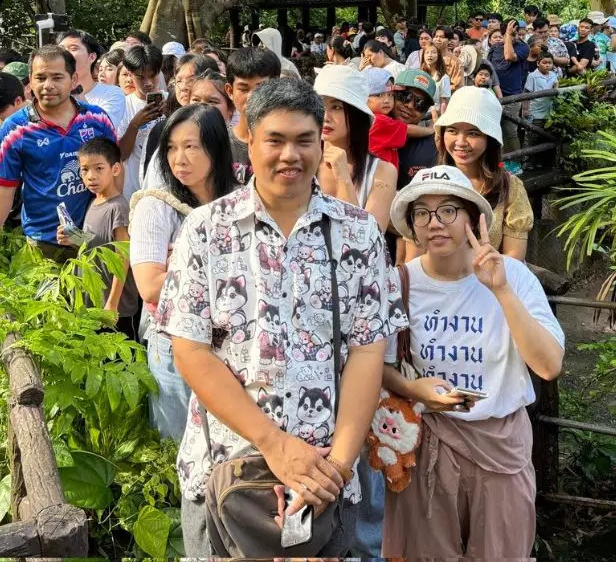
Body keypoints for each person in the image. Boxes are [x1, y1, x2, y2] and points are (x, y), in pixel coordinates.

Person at [159, 77, 404, 556]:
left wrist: (338, 465)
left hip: (327, 476)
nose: (290, 155)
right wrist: (273, 443)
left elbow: (367, 351)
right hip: (227, 468)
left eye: (304, 140)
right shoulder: (205, 230)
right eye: (275, 139)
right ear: (248, 137)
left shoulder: (358, 234)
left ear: (322, 141)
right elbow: (191, 350)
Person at [382, 166, 563, 559]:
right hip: (428, 442)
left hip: (500, 445)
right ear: (412, 225)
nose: (435, 223)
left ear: (471, 218)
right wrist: (414, 389)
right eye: (422, 213)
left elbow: (548, 366)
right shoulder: (398, 283)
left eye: (448, 210)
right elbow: (371, 363)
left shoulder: (513, 276)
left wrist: (500, 291)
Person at [130, 104, 237, 439]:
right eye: (172, 148)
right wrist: (229, 273)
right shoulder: (156, 206)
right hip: (173, 344)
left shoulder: (241, 201)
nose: (179, 158)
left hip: (233, 345)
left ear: (217, 148)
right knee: (175, 444)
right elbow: (150, 286)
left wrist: (185, 269)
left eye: (191, 147)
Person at [0, 45, 119, 261]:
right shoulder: (16, 128)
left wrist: (115, 216)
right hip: (43, 243)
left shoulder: (97, 119)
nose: (48, 85)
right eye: (40, 77)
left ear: (73, 80)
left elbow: (116, 171)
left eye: (57, 77)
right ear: (30, 83)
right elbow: (4, 186)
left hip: (94, 237)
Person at [410, 86, 533, 261]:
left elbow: (514, 260)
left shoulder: (510, 187)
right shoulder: (429, 182)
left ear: (489, 139)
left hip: (490, 283)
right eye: (452, 131)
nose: (460, 142)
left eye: (473, 133)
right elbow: (415, 256)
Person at [55, 137, 142, 339]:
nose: (91, 176)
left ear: (115, 169)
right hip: (93, 301)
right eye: (85, 169)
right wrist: (73, 239)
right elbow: (96, 243)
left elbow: (123, 257)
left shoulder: (118, 207)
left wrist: (112, 303)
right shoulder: (94, 203)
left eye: (99, 168)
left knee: (121, 363)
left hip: (115, 306)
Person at [315, 66, 397, 230]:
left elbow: (368, 238)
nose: (325, 116)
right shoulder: (304, 161)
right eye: (319, 105)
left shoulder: (382, 171)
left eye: (336, 107)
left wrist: (344, 179)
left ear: (356, 114)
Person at [225, 47, 281, 182]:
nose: (252, 96)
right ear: (230, 91)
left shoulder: (289, 145)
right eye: (243, 89)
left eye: (261, 87)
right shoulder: (219, 143)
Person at [118, 44, 166, 200]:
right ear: (130, 74)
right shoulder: (123, 106)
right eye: (141, 77)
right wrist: (135, 124)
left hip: (165, 189)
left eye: (153, 75)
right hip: (133, 191)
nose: (148, 82)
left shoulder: (171, 101)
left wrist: (171, 114)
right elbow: (121, 155)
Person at [58, 29, 129, 135]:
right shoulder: (52, 94)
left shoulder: (112, 93)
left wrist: (76, 90)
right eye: (61, 49)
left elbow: (101, 129)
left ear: (92, 57)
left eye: (73, 48)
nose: (65, 53)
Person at [392, 69, 440, 189]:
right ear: (390, 94)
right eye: (405, 96)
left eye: (420, 104)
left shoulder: (433, 146)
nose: (410, 106)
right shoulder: (365, 128)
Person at [486, 21, 529, 153]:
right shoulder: (494, 48)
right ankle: (499, 165)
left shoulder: (523, 47)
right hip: (494, 96)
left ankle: (516, 164)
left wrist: (509, 36)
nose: (516, 37)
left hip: (512, 96)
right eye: (512, 34)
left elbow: (509, 56)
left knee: (510, 131)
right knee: (493, 133)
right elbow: (488, 69)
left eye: (516, 34)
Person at [522, 48, 560, 165]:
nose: (547, 65)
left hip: (549, 112)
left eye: (550, 63)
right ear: (538, 63)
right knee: (532, 138)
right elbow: (526, 93)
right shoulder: (532, 76)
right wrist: (526, 109)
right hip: (536, 112)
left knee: (545, 137)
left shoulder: (553, 75)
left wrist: (556, 86)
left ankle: (541, 162)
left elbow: (556, 90)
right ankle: (527, 162)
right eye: (544, 63)